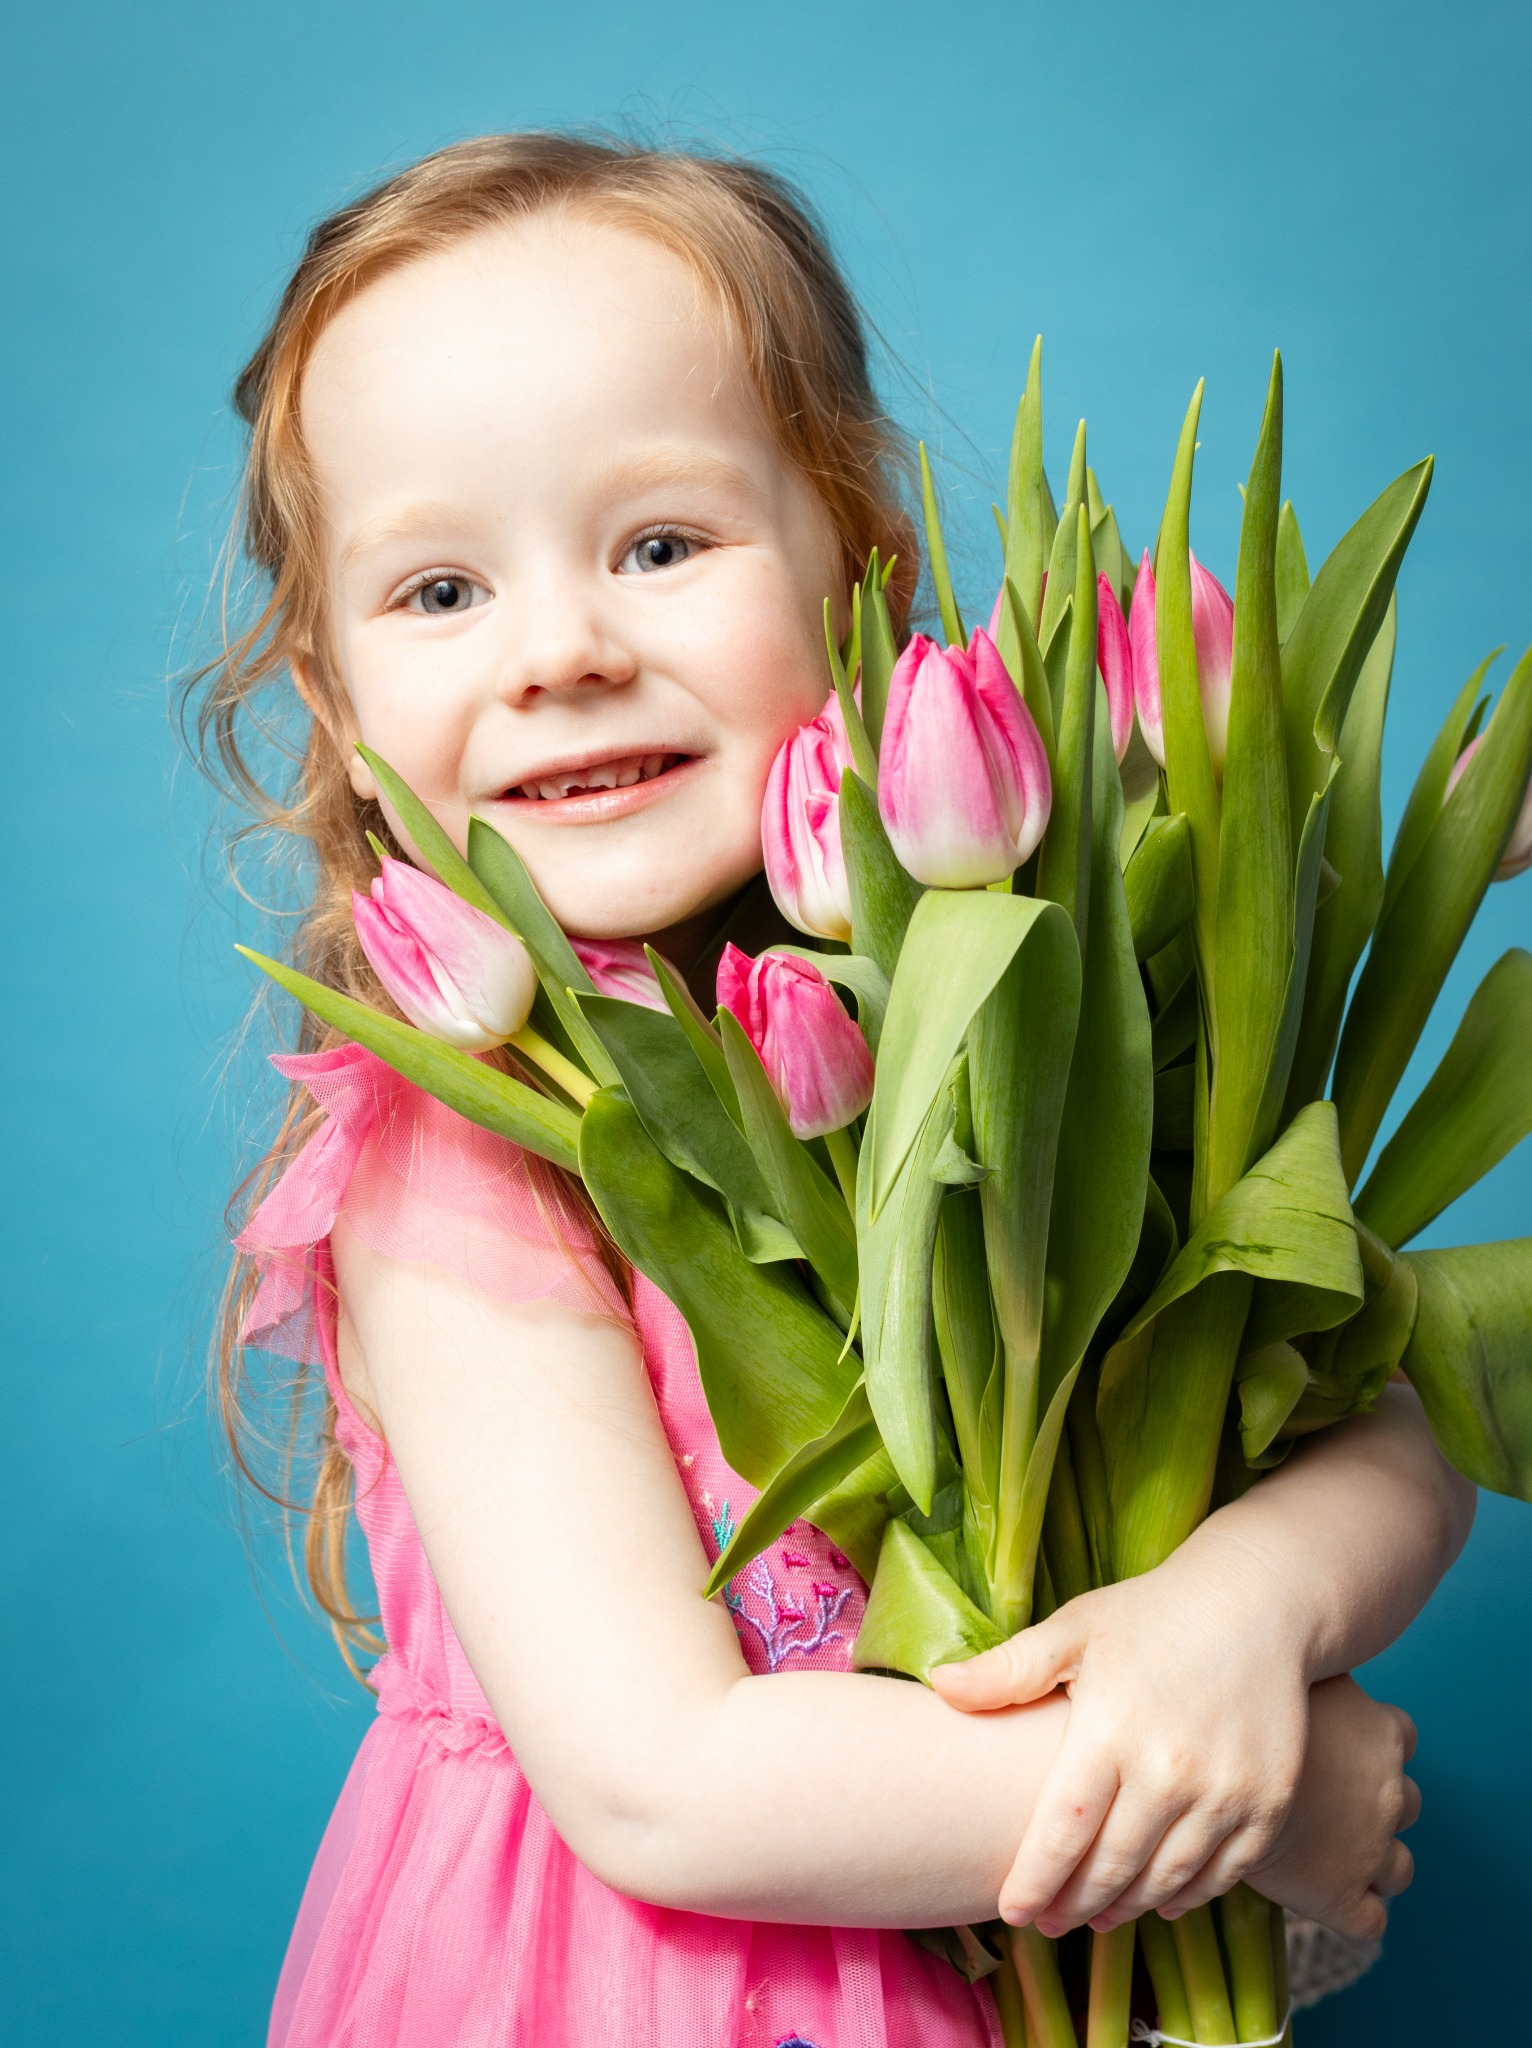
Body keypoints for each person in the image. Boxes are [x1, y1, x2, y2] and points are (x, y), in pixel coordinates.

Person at [194, 134, 1474, 2048]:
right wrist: (1256, 1800)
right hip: (634, 1994)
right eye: (442, 588)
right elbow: (667, 1784)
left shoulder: (1029, 1005)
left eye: (659, 546)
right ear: (342, 710)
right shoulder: (454, 1163)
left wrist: (1249, 1619)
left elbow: (1396, 1414)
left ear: (853, 567)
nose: (561, 651)